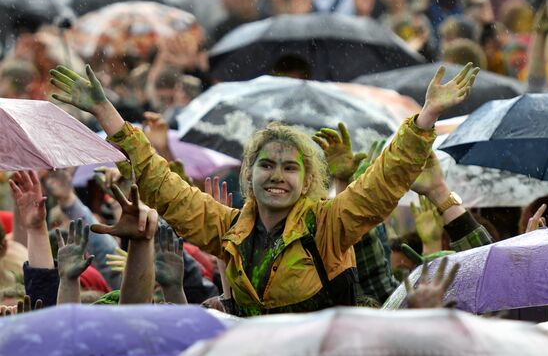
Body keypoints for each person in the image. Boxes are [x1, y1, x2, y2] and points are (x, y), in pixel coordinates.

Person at [49, 62, 479, 315]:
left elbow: (382, 183)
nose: (277, 175)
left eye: (290, 168)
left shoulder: (329, 225)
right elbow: (162, 185)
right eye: (267, 165)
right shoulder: (229, 228)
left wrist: (426, 117)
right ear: (248, 175)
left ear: (308, 180)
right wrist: (106, 111)